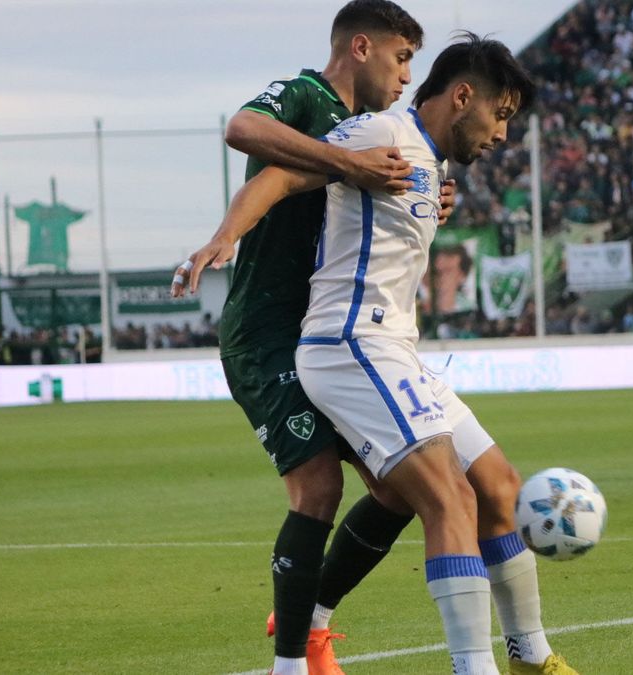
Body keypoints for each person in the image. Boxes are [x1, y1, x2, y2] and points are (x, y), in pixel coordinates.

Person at [178, 32, 577, 675]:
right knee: (450, 500)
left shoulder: (430, 159)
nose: (503, 134)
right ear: (464, 96)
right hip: (350, 344)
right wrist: (221, 240)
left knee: (498, 487)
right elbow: (279, 177)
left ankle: (533, 655)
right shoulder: (376, 135)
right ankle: (472, 667)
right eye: (500, 115)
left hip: (396, 347)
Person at [174, 4, 438, 674]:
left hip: (331, 338)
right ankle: (292, 662)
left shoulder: (375, 132)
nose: (407, 74)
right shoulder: (304, 95)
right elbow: (244, 130)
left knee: (402, 485)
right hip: (264, 330)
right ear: (360, 47)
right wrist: (228, 235)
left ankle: (308, 611)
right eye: (401, 56)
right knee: (318, 487)